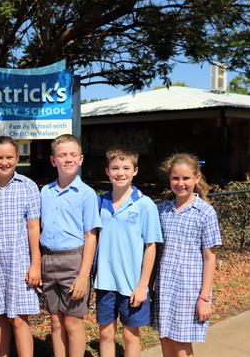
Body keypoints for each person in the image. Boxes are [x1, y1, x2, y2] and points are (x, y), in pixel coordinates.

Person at [0, 136, 41, 357]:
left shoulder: (28, 186)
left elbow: (33, 228)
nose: (4, 162)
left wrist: (35, 264)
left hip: (19, 262)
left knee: (20, 319)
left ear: (17, 158)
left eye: (9, 157)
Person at [93, 149, 163, 357]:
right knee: (106, 334)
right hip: (104, 282)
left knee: (131, 335)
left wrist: (143, 285)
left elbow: (151, 247)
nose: (120, 173)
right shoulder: (99, 203)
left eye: (126, 168)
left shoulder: (145, 205)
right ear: (107, 171)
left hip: (132, 285)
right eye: (115, 168)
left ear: (135, 171)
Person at [153, 153, 222, 357]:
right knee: (165, 338)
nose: (180, 183)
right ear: (169, 179)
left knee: (181, 344)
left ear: (196, 178)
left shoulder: (205, 213)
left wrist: (205, 297)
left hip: (189, 290)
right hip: (164, 286)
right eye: (175, 178)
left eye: (186, 178)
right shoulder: (162, 210)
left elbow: (210, 257)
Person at [39, 134, 101, 357]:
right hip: (48, 260)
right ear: (53, 160)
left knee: (73, 322)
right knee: (56, 321)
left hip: (74, 261)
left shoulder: (86, 194)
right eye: (62, 155)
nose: (68, 159)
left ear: (81, 159)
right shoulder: (45, 192)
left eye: (73, 154)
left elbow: (91, 235)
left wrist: (84, 274)